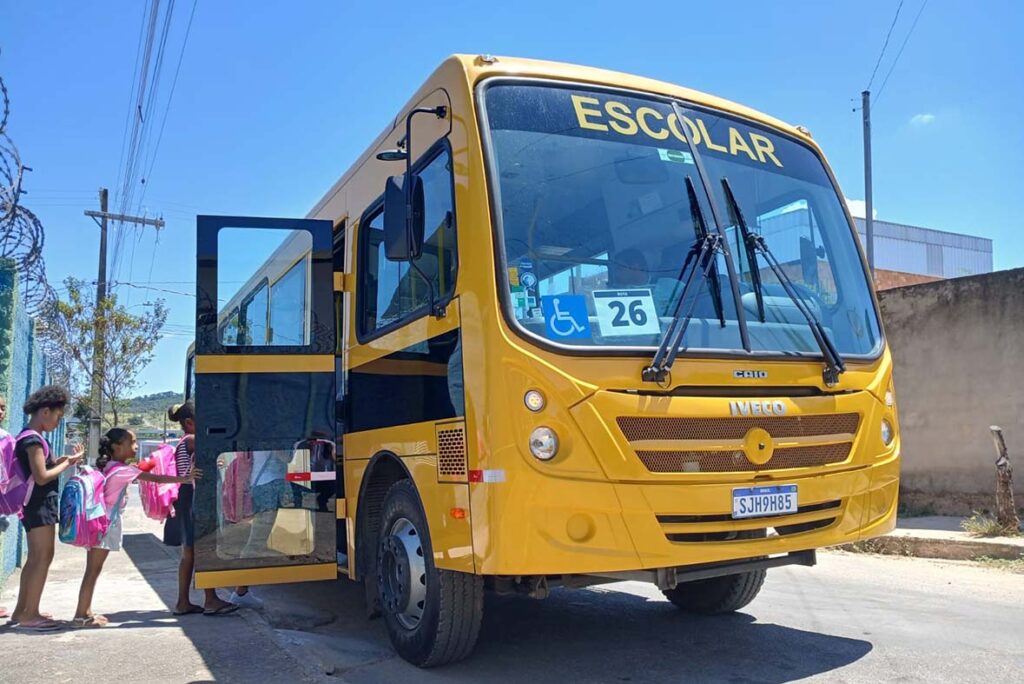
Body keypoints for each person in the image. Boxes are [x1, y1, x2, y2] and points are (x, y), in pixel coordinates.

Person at [73, 428, 198, 628]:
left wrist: (164, 459)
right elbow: (155, 478)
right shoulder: (123, 470)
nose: (136, 446)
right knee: (93, 570)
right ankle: (81, 616)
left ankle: (85, 611)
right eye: (132, 442)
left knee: (93, 569)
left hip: (97, 523)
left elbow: (147, 469)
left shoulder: (112, 466)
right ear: (116, 447)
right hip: (105, 525)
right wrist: (183, 479)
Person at [163, 402, 260, 614]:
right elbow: (216, 448)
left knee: (189, 553)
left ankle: (183, 602)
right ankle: (210, 600)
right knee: (204, 549)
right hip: (194, 498)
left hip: (185, 498)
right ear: (190, 422)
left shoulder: (182, 442)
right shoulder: (191, 440)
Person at [10, 386, 83, 631]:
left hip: (36, 506)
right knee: (42, 557)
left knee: (36, 558)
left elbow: (41, 469)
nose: (57, 420)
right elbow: (41, 477)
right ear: (45, 411)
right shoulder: (33, 440)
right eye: (58, 416)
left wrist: (64, 461)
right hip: (39, 505)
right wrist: (65, 467)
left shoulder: (29, 436)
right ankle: (29, 614)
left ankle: (24, 610)